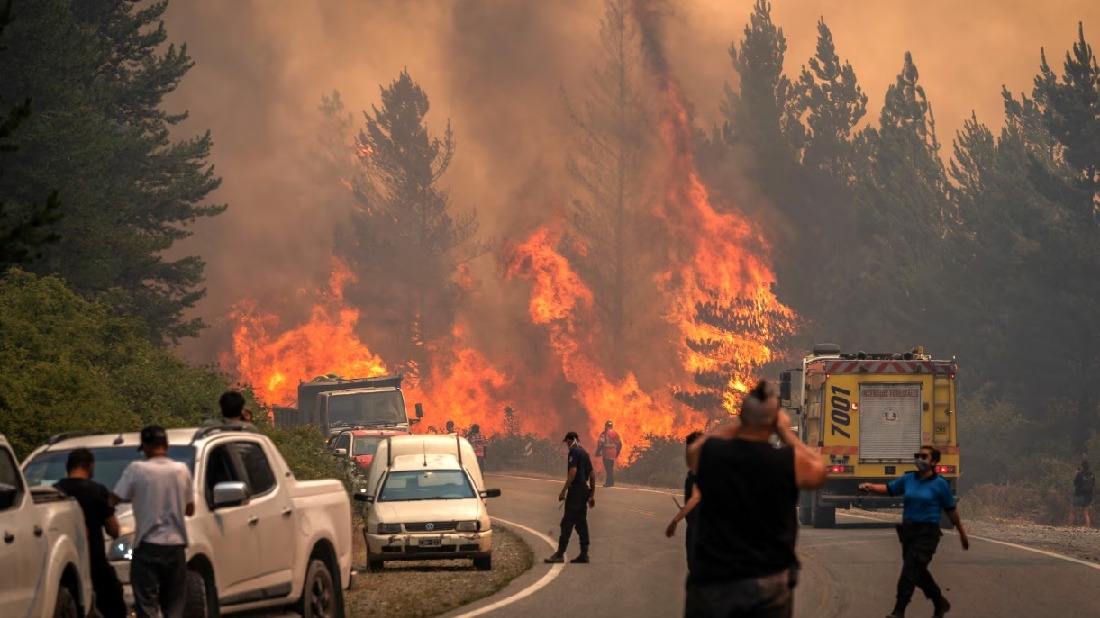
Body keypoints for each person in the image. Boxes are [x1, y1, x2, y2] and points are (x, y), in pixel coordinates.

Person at [684, 379, 827, 618]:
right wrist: (785, 432)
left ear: (741, 416)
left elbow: (692, 453)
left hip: (713, 579)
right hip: (767, 582)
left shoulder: (714, 455)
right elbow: (819, 471)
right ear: (773, 422)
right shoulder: (787, 462)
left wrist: (739, 423)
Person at [859, 446, 970, 618]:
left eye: (924, 456)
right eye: (918, 456)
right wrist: (870, 486)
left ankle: (899, 610)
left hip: (928, 533)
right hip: (909, 532)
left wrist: (962, 533)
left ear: (933, 461)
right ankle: (939, 601)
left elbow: (951, 510)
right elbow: (889, 489)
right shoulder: (908, 479)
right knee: (918, 572)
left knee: (910, 571)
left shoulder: (940, 484)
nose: (919, 459)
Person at [112, 425, 195, 618]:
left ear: (145, 447)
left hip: (147, 545)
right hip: (175, 546)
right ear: (165, 445)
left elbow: (114, 499)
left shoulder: (136, 469)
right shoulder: (181, 470)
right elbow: (190, 510)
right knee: (174, 603)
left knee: (146, 603)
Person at [54, 448, 128, 618]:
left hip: (67, 569)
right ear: (90, 466)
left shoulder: (56, 491)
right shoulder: (98, 491)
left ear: (68, 467)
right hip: (96, 564)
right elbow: (113, 530)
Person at [545, 431, 596, 564]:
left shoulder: (574, 452)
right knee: (581, 523)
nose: (567, 445)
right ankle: (584, 555)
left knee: (567, 522)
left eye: (567, 442)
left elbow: (572, 472)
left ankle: (560, 554)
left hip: (576, 492)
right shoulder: (584, 453)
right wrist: (591, 495)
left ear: (571, 440)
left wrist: (563, 491)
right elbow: (592, 475)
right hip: (584, 491)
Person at [666, 431, 704, 574]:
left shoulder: (700, 470)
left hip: (698, 527)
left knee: (695, 567)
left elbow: (695, 498)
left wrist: (675, 521)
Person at [595, 420, 623, 488]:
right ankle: (611, 482)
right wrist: (617, 453)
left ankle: (608, 483)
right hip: (613, 453)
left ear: (606, 426)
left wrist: (597, 452)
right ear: (611, 426)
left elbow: (601, 444)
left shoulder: (604, 434)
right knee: (610, 468)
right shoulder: (615, 434)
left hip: (606, 454)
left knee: (608, 469)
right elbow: (620, 444)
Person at [1070, 460, 1094, 528]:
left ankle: (1069, 526)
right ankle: (1088, 527)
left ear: (1082, 466)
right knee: (1086, 513)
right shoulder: (1092, 475)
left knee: (1072, 511)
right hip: (1088, 496)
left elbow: (1075, 483)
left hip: (1079, 495)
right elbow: (1092, 484)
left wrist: (1077, 474)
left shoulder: (1080, 474)